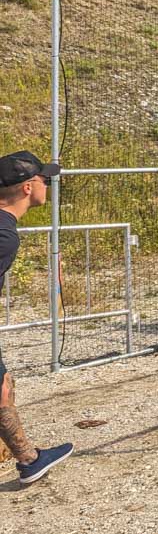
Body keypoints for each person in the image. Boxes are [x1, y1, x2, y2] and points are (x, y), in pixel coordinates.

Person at [0, 151, 74, 484]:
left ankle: (29, 460)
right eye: (45, 179)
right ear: (28, 187)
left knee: (2, 386)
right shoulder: (4, 237)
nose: (49, 184)